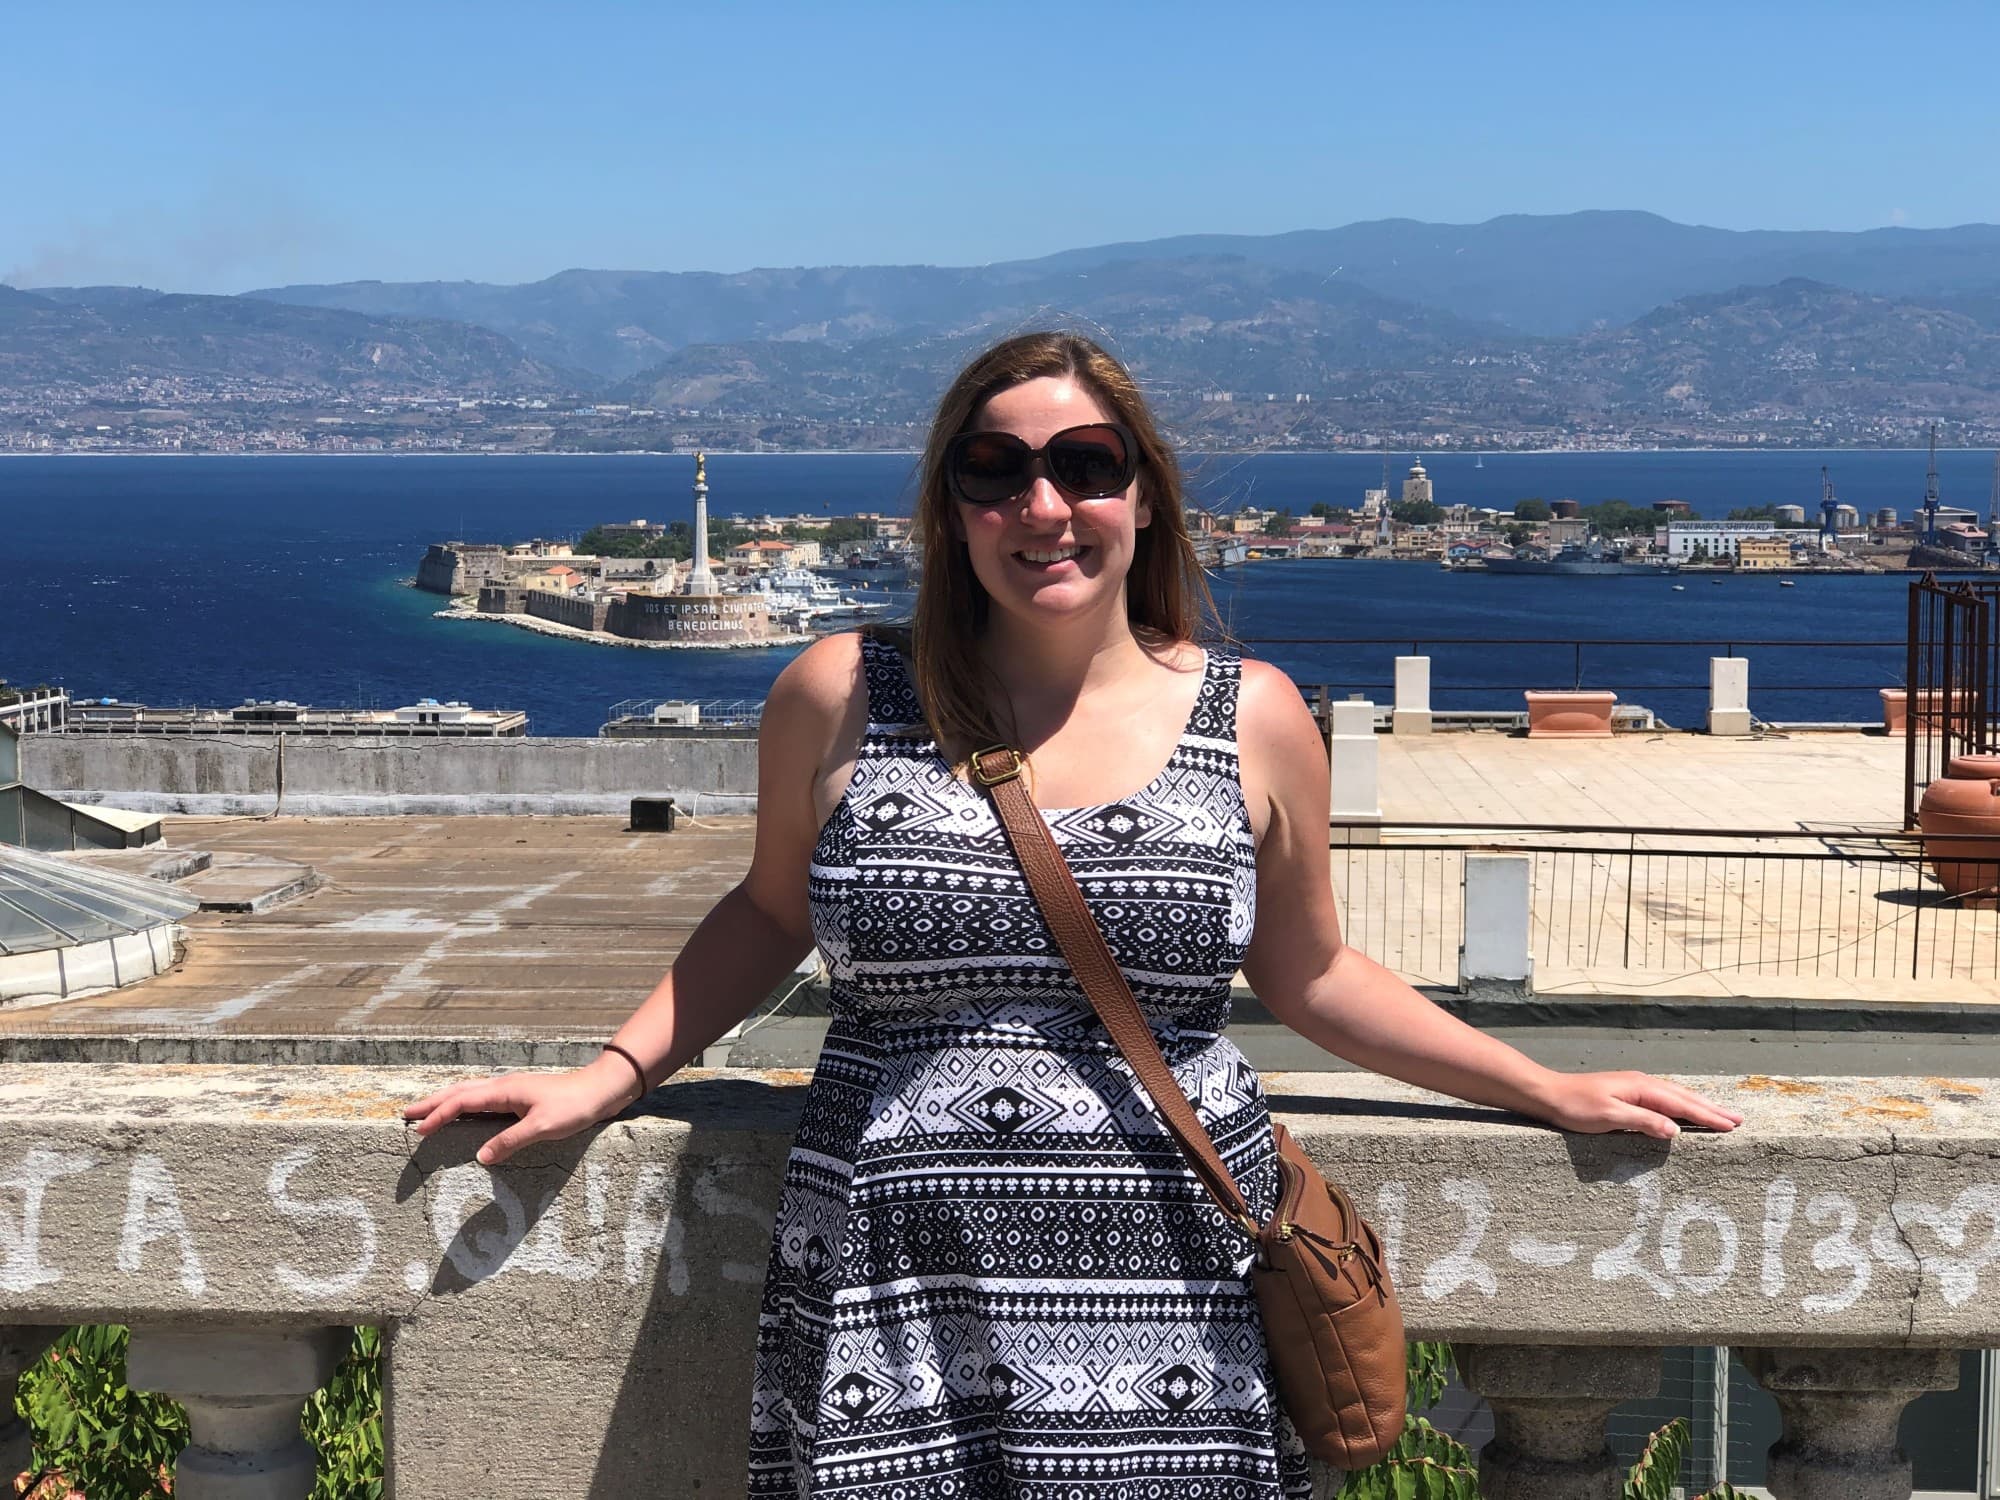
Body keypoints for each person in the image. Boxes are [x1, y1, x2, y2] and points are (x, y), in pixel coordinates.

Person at [406, 331, 1743, 1498]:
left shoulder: (1255, 719)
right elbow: (765, 918)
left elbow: (1314, 973)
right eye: (996, 472)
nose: (1043, 505)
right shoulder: (839, 695)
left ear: (1144, 499)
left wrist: (1545, 1088)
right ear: (952, 508)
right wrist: (607, 1076)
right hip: (895, 1277)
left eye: (1087, 467)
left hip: (1166, 1290)